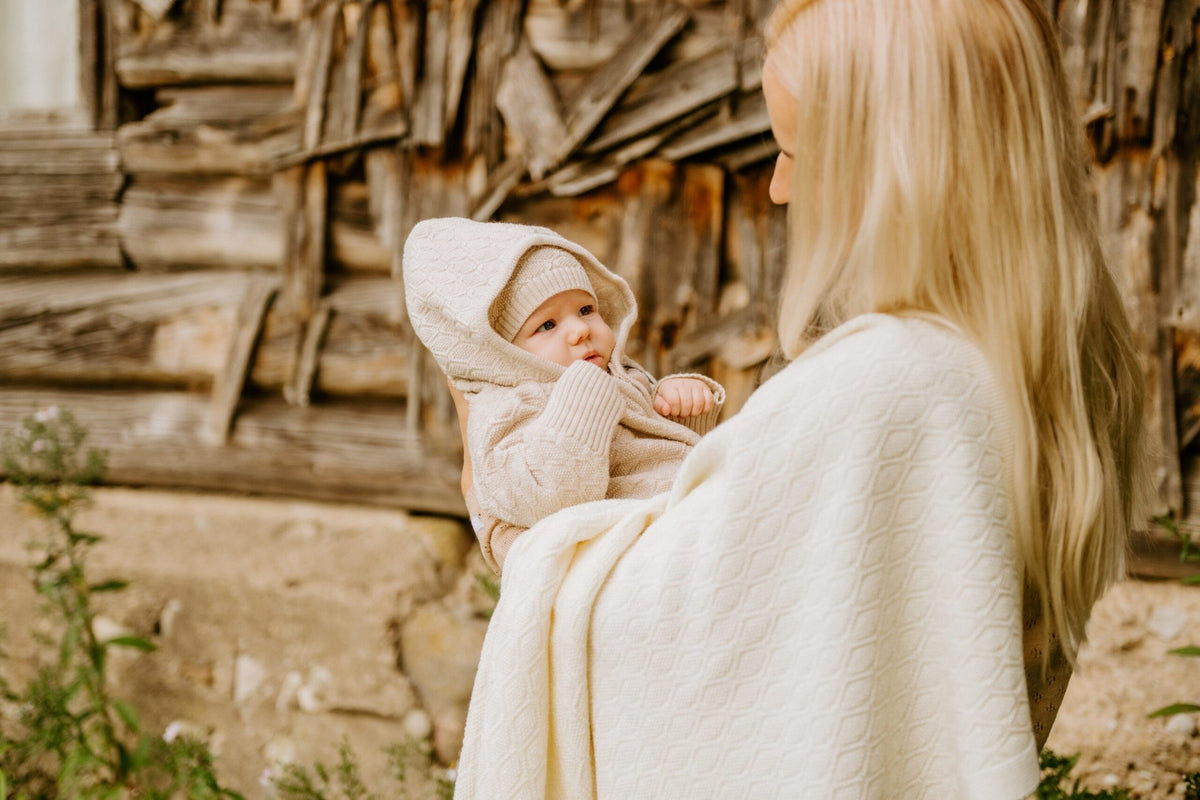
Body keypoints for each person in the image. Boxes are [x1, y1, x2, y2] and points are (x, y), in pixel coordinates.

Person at [449, 0, 1151, 797]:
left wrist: (511, 536)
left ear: (899, 163)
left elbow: (672, 643)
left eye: (794, 150)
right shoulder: (1048, 368)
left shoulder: (879, 390)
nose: (780, 189)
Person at [402, 218, 724, 573]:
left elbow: (667, 447)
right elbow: (546, 499)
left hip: (686, 511)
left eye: (586, 310)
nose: (580, 330)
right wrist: (584, 399)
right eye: (547, 325)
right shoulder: (509, 407)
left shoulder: (617, 373)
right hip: (628, 548)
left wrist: (680, 403)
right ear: (504, 352)